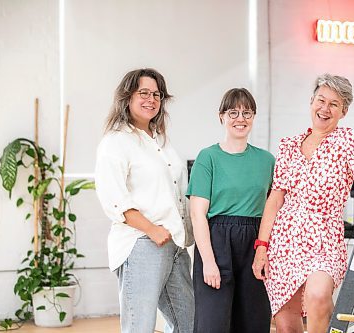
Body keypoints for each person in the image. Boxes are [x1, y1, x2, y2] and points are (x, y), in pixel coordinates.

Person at [252, 73, 354, 333]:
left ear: (344, 111)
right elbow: (275, 199)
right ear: (311, 102)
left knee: (318, 296)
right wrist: (261, 247)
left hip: (324, 238)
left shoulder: (348, 140)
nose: (325, 108)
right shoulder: (288, 145)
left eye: (334, 104)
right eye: (321, 100)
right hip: (283, 241)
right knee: (285, 322)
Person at [95, 68, 194, 333]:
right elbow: (114, 199)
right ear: (127, 97)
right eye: (144, 93)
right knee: (140, 325)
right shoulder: (116, 141)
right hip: (142, 243)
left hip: (174, 243)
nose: (151, 99)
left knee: (188, 323)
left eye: (157, 95)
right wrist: (152, 230)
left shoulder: (160, 140)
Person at [187, 88, 275, 333]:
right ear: (221, 117)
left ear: (254, 117)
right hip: (216, 241)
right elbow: (197, 214)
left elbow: (273, 209)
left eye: (247, 113)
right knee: (213, 323)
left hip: (255, 243)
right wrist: (208, 262)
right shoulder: (208, 157)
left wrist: (265, 249)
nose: (241, 118)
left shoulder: (267, 161)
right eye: (233, 112)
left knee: (254, 321)